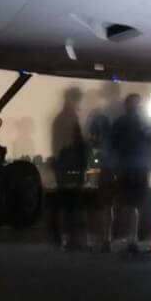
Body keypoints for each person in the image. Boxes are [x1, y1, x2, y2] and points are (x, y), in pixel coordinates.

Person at [103, 91, 151, 253]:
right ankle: (131, 239)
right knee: (133, 205)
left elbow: (111, 146)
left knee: (118, 204)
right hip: (136, 168)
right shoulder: (142, 124)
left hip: (124, 168)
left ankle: (109, 239)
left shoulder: (120, 123)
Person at [46, 86, 93, 251]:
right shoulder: (70, 118)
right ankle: (75, 240)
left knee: (65, 203)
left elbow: (56, 145)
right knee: (73, 204)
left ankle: (63, 238)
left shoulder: (59, 119)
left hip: (62, 165)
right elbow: (77, 143)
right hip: (71, 166)